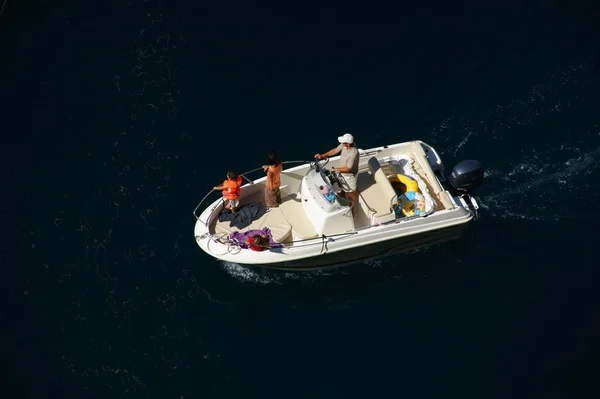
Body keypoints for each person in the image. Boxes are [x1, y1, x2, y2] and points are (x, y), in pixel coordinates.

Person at [314, 133, 359, 215]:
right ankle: (342, 194)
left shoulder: (353, 153)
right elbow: (335, 150)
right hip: (342, 173)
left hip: (349, 176)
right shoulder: (344, 145)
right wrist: (322, 155)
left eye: (343, 142)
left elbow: (348, 169)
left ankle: (352, 207)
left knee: (350, 193)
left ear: (348, 144)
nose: (342, 143)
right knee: (341, 185)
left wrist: (335, 169)